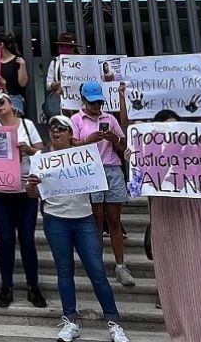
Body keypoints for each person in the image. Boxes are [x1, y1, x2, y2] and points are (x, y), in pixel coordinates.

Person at [27, 115, 130, 342]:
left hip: (84, 220)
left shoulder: (85, 156)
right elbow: (33, 194)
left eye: (62, 128)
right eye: (53, 127)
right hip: (55, 220)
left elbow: (99, 183)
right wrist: (31, 186)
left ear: (70, 134)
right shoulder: (40, 157)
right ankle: (70, 320)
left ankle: (114, 323)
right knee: (64, 272)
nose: (56, 131)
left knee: (97, 272)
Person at [140, 104, 201, 342]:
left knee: (198, 271)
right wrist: (136, 161)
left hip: (191, 212)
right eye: (163, 128)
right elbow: (138, 184)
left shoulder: (194, 151)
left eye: (174, 126)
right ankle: (182, 332)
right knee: (170, 276)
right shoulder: (148, 153)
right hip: (163, 213)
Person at [70, 80, 134, 287]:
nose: (96, 107)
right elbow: (72, 145)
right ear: (84, 101)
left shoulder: (110, 119)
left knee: (114, 219)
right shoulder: (76, 119)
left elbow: (124, 146)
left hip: (112, 169)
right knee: (96, 219)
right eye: (92, 103)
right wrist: (90, 139)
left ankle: (120, 265)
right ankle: (96, 265)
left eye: (99, 103)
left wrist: (113, 138)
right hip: (90, 171)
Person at [0, 91, 46, 309]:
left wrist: (29, 150)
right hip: (0, 194)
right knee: (7, 240)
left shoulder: (27, 125)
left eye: (1, 102)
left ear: (12, 104)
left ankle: (33, 286)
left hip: (25, 192)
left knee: (28, 240)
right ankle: (7, 286)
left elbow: (42, 152)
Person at [0, 32, 29, 114]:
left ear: (1, 45)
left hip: (14, 98)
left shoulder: (17, 60)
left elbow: (23, 83)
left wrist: (22, 66)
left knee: (13, 124)